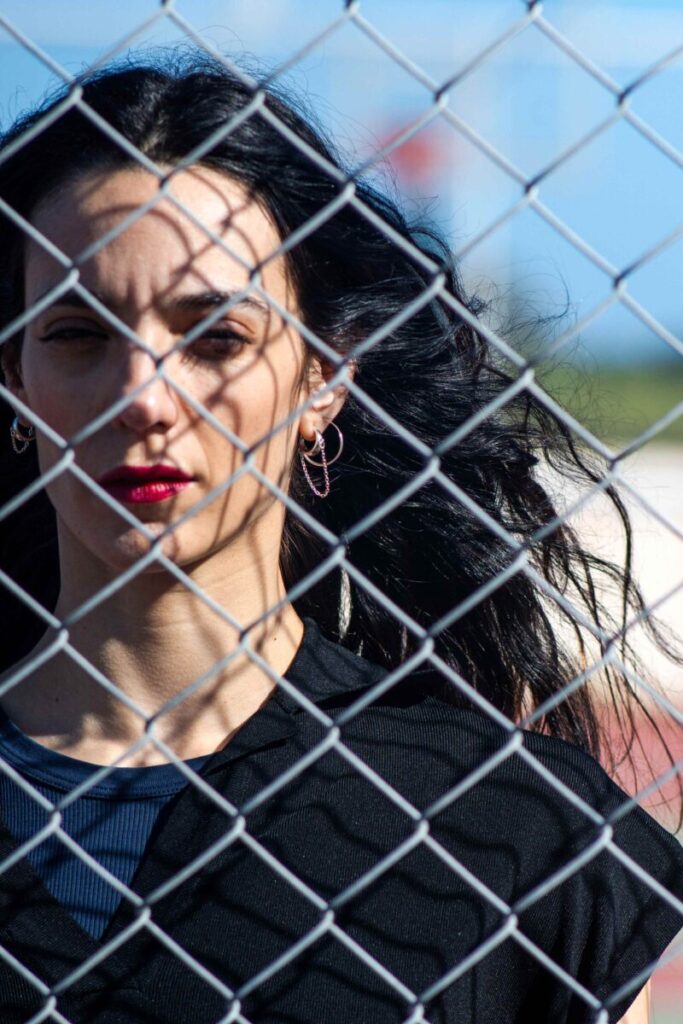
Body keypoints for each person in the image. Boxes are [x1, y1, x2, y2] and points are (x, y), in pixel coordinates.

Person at [0, 52, 680, 1024]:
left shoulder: (515, 834)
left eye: (216, 336)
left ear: (322, 377)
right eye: (77, 333)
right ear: (15, 381)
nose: (142, 397)